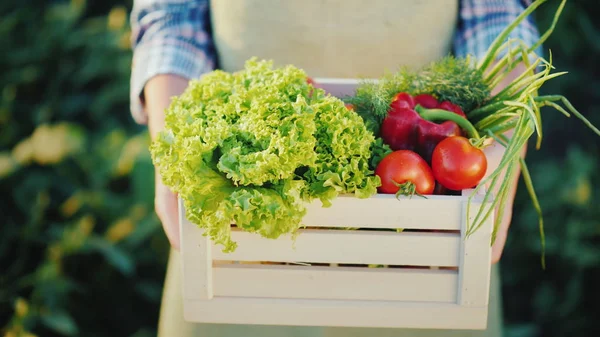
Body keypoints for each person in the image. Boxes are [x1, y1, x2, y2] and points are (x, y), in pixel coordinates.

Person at [129, 1, 541, 336]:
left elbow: (498, 17)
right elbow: (174, 17)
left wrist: (497, 152)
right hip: (238, 242)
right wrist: (177, 149)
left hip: (429, 258)